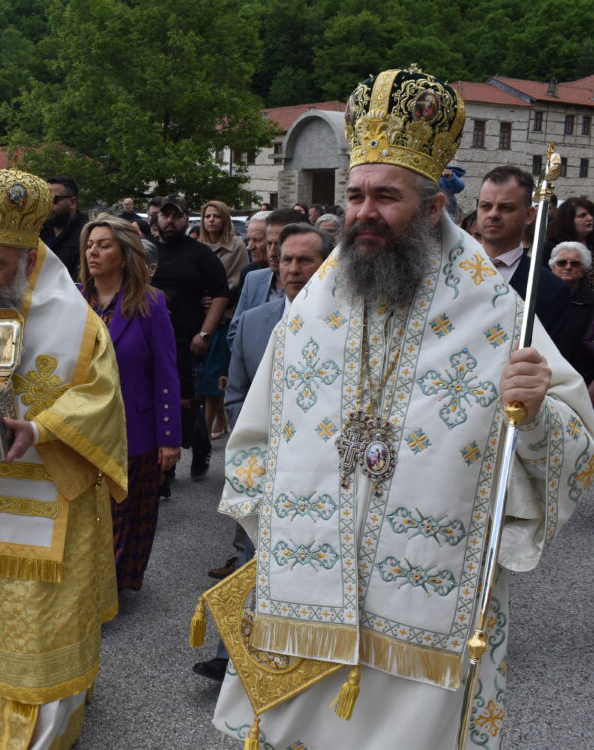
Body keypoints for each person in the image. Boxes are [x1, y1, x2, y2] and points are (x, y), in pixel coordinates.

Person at [211, 67, 594, 750]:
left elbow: (576, 446)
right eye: (354, 194)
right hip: (307, 594)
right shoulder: (312, 311)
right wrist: (273, 536)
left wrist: (534, 416)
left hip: (428, 610)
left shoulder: (495, 311)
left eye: (384, 196)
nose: (362, 212)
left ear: (430, 207)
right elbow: (254, 440)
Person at [0, 168, 126, 750]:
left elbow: (102, 403)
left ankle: (43, 734)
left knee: (41, 623)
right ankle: (0, 713)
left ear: (30, 261)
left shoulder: (79, 327)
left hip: (50, 506)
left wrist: (37, 429)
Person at [194, 223, 332, 682]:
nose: (293, 269)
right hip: (268, 462)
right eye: (285, 259)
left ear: (326, 264)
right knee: (256, 553)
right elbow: (235, 394)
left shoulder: (351, 322)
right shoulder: (254, 322)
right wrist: (255, 448)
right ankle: (230, 655)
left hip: (326, 468)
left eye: (304, 260)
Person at [79, 214, 181, 590]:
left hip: (134, 427)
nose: (94, 251)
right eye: (90, 244)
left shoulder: (149, 303)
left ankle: (112, 585)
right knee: (89, 511)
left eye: (104, 245)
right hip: (83, 425)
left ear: (124, 256)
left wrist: (169, 437)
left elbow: (166, 372)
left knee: (126, 509)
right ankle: (88, 582)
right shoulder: (74, 300)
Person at [152, 195, 229, 482]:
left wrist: (205, 333)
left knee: (188, 403)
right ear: (157, 217)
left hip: (189, 341)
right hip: (153, 341)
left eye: (177, 216)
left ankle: (201, 446)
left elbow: (221, 293)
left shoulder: (199, 253)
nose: (170, 221)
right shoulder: (146, 252)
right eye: (165, 215)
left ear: (186, 220)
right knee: (160, 399)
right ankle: (164, 469)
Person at [477, 165, 570, 345]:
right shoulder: (445, 270)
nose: (493, 214)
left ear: (529, 215)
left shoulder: (551, 289)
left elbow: (551, 360)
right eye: (486, 206)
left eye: (506, 208)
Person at [198, 200, 248, 440]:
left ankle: (206, 429)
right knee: (206, 372)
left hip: (225, 316)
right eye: (207, 216)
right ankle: (221, 419)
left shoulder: (236, 245)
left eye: (216, 216)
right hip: (201, 314)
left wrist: (218, 297)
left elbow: (238, 280)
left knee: (214, 374)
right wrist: (202, 297)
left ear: (225, 218)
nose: (211, 220)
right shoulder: (198, 245)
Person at [227, 208, 305, 347]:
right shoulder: (253, 279)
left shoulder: (318, 284)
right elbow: (235, 334)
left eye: (280, 244)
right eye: (269, 243)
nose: (273, 252)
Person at [549, 241, 594, 381]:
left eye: (574, 264)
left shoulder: (592, 302)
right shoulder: (537, 296)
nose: (568, 267)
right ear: (552, 267)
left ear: (583, 270)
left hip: (580, 376)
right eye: (562, 263)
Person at [39, 175, 88, 279]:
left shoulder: (87, 236)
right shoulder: (37, 232)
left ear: (72, 202)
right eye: (44, 200)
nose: (48, 206)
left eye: (53, 200)